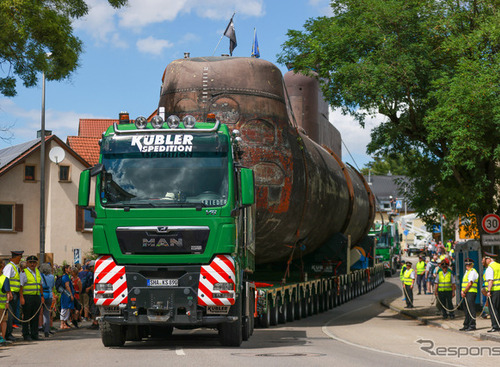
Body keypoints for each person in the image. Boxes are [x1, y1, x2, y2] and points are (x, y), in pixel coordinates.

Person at [19, 255, 45, 341]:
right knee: (27, 316)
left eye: (34, 262)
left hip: (36, 296)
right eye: (30, 262)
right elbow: (21, 286)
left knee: (35, 316)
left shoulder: (37, 272)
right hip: (27, 297)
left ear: (36, 263)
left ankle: (34, 334)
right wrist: (22, 297)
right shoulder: (24, 272)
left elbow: (40, 285)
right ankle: (26, 334)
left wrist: (42, 296)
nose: (32, 264)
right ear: (27, 263)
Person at [2, 250, 23, 342]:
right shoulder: (10, 267)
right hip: (11, 294)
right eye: (19, 257)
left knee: (12, 314)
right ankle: (7, 334)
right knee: (9, 315)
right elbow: (6, 280)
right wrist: (9, 292)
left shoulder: (14, 267)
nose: (20, 259)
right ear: (16, 257)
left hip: (15, 293)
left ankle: (9, 333)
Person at [460, 258, 478, 331]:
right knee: (466, 309)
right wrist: (462, 291)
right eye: (466, 264)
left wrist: (464, 292)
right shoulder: (467, 272)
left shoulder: (472, 272)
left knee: (471, 309)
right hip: (466, 292)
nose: (467, 266)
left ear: (472, 265)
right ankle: (466, 324)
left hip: (471, 292)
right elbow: (464, 283)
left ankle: (472, 325)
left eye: (469, 264)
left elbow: (470, 283)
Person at [483, 251, 500, 332]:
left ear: (489, 259)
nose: (484, 261)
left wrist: (488, 291)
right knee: (498, 308)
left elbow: (490, 280)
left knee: (493, 309)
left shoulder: (490, 268)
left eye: (485, 259)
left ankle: (495, 326)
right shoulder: (499, 265)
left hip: (494, 291)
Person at [39, 263, 55, 337]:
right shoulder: (52, 277)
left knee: (39, 313)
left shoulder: (40, 276)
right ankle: (47, 330)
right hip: (49, 295)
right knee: (47, 314)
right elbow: (52, 286)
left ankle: (39, 327)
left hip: (42, 295)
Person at [0, 259, 13, 345]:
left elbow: (8, 293)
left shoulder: (4, 279)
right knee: (3, 321)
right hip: (2, 304)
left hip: (2, 305)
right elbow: (8, 293)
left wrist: (7, 302)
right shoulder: (4, 278)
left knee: (3, 321)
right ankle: (3, 337)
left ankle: (3, 337)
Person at [59, 265, 74, 329]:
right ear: (65, 269)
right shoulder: (65, 277)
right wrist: (70, 294)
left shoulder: (66, 276)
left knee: (67, 309)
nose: (70, 269)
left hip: (66, 294)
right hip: (66, 294)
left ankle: (65, 323)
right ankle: (62, 323)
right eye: (69, 268)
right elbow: (67, 286)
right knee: (64, 308)